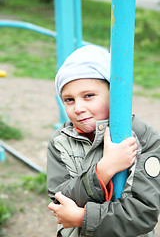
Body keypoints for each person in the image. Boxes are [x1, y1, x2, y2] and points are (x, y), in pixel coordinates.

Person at [47, 45, 160, 237]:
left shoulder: (142, 138)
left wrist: (82, 217)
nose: (78, 108)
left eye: (88, 96)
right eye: (69, 100)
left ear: (113, 93)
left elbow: (143, 214)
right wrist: (103, 170)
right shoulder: (60, 142)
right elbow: (58, 201)